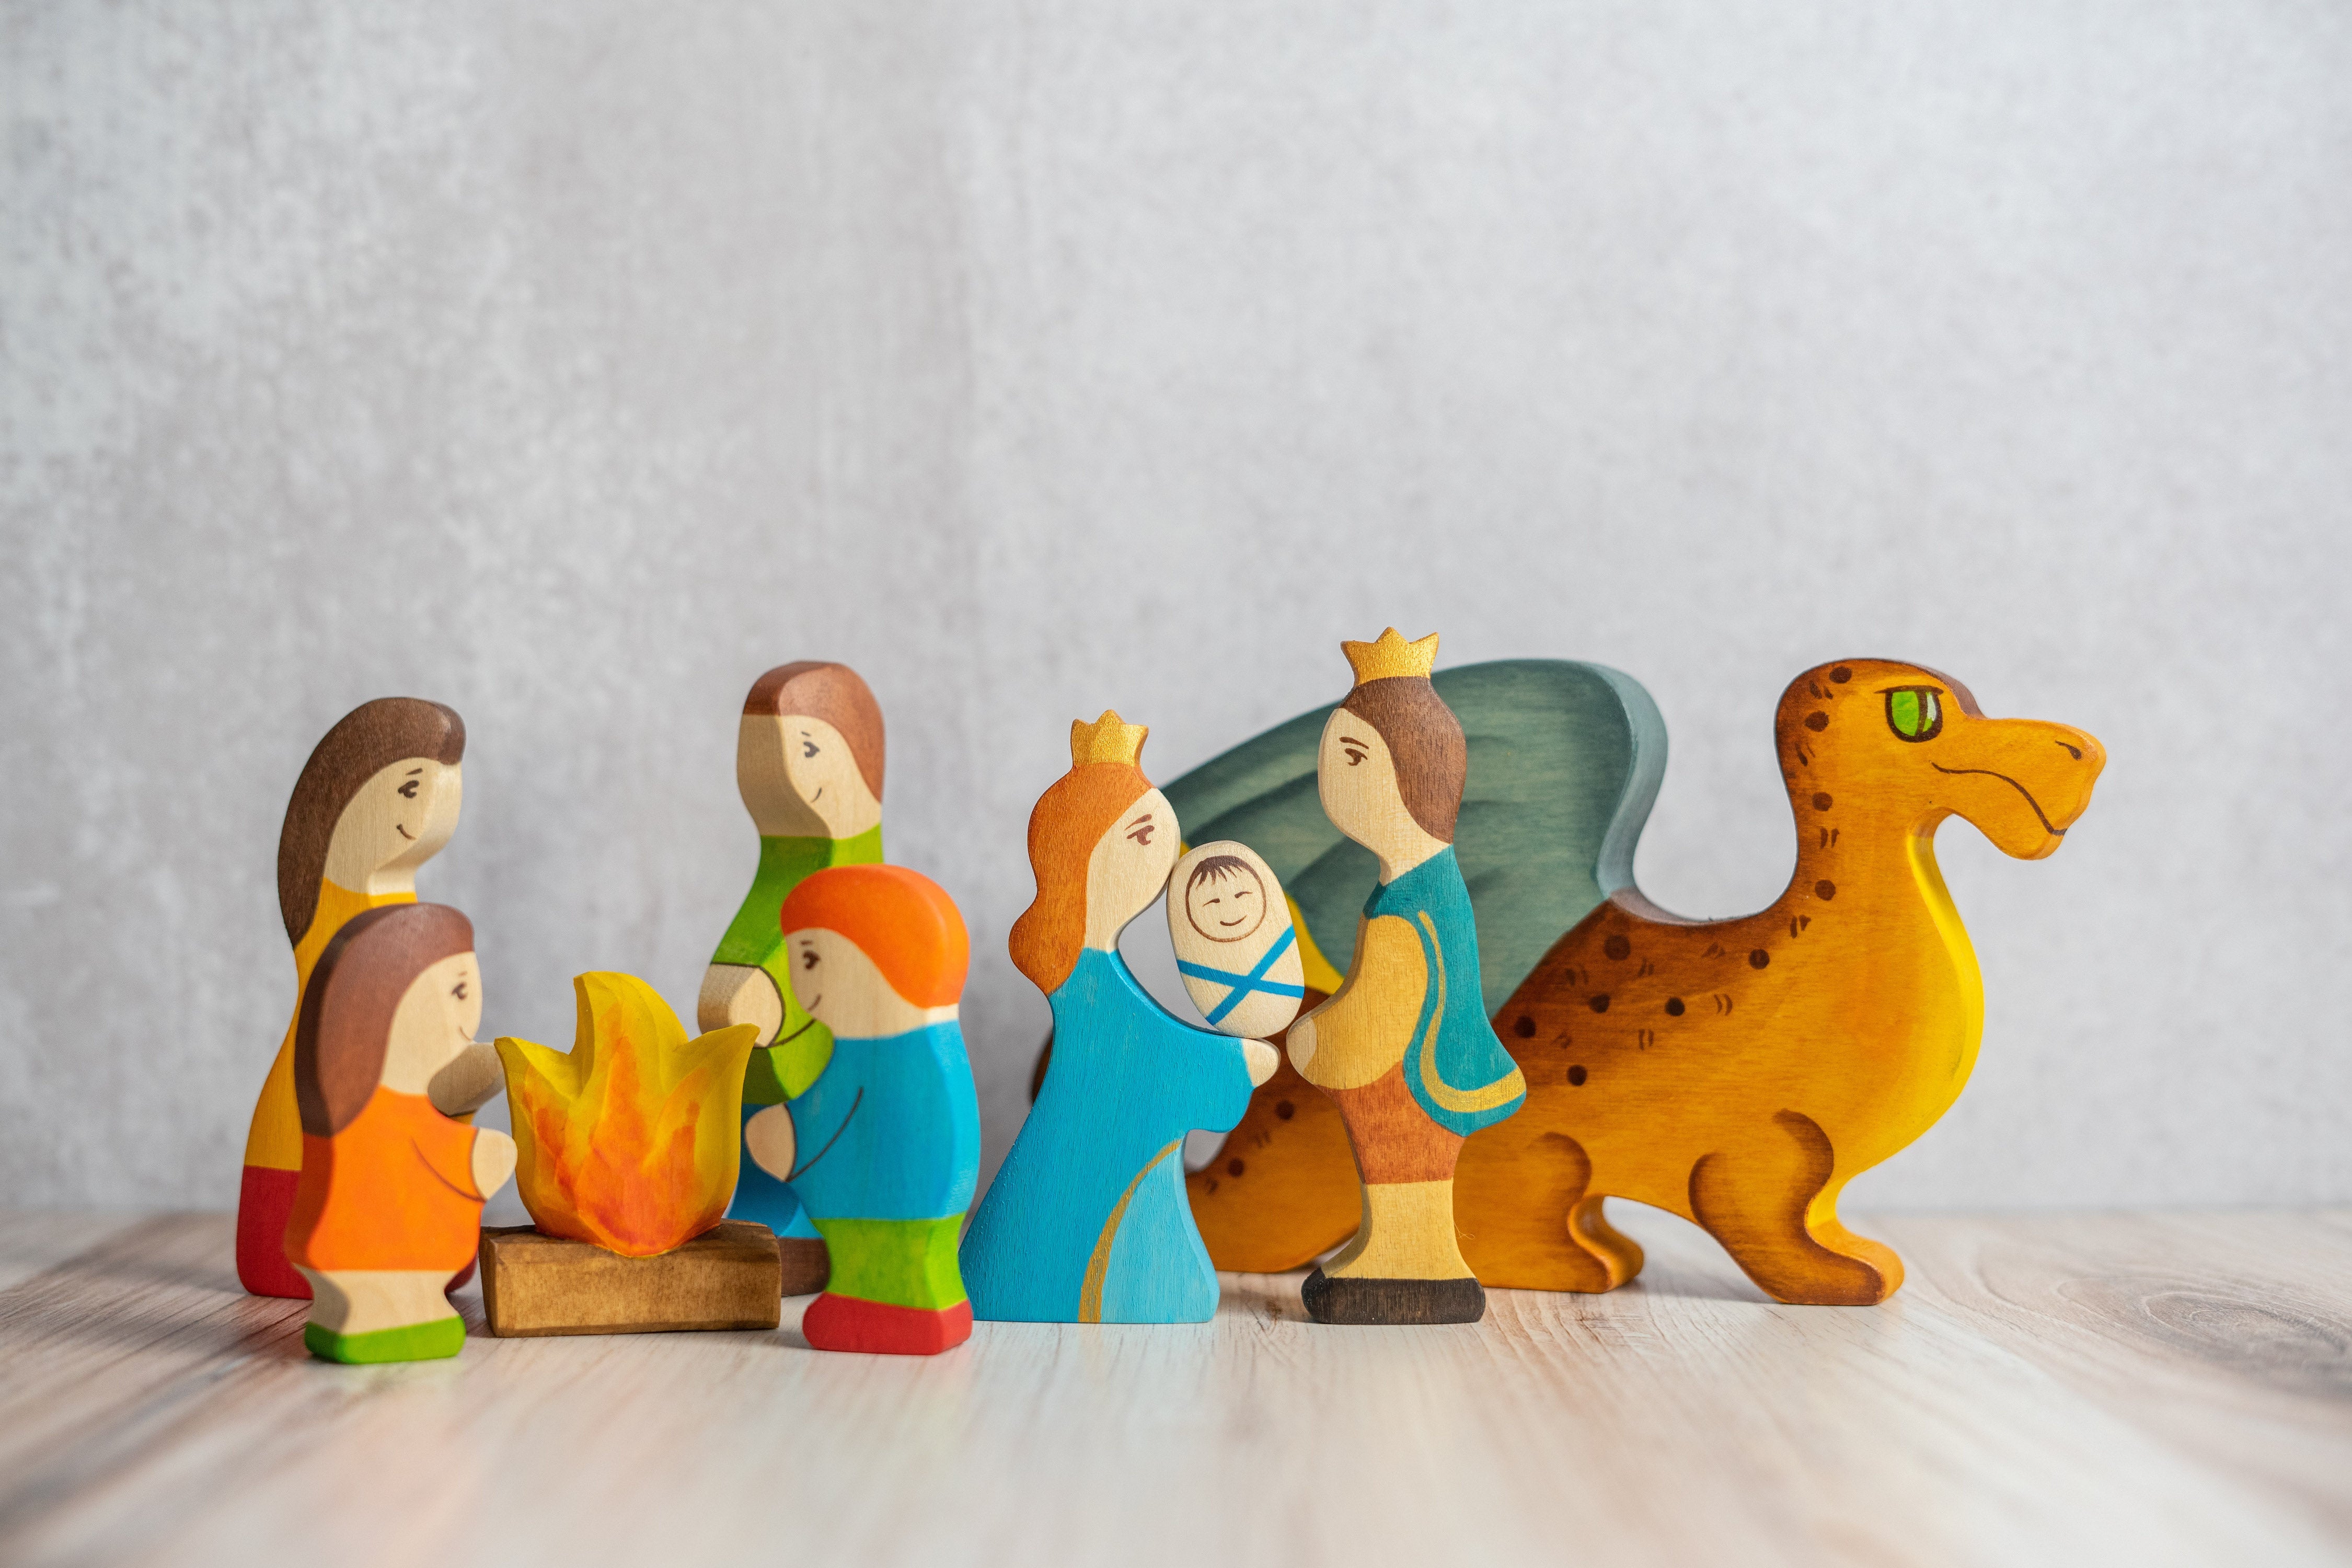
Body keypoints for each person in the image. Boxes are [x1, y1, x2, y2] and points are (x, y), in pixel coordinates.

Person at [959, 713, 1277, 1323]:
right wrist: (1232, 1060)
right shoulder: (1085, 980)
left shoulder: (1091, 975)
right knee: (1106, 1219)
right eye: (1143, 837)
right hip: (1097, 1139)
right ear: (1089, 855)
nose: (1161, 857)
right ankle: (1048, 1284)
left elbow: (1141, 1034)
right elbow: (1139, 1047)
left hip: (1101, 1140)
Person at [1285, 629, 1527, 1324]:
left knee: (1402, 1165)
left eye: (1348, 757)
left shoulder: (1412, 904)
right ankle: (1397, 1252)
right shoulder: (1419, 888)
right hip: (1418, 1070)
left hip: (1417, 1077)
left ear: (1408, 771)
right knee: (1395, 1166)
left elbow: (1380, 1016)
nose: (1331, 780)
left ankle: (1417, 1265)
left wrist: (1316, 1038)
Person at [237, 697, 467, 1299]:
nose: (428, 815)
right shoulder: (341, 922)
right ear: (350, 797)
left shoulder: (400, 907)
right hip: (313, 1137)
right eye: (411, 789)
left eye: (441, 792)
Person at [699, 661, 887, 1285]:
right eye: (764, 755)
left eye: (806, 751)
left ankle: (818, 1218)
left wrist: (762, 998)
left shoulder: (853, 883)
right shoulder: (792, 872)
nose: (781, 775)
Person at [752, 864, 980, 1354]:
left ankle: (875, 1306)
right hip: (926, 1208)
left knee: (869, 1261)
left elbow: (829, 1125)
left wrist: (780, 1135)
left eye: (810, 957)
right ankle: (915, 1304)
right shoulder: (934, 1055)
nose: (800, 981)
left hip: (878, 1207)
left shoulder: (876, 1058)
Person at [284, 903, 515, 1362]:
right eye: (458, 992)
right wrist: (484, 1156)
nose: (469, 1019)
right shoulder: (376, 1117)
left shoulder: (356, 1115)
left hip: (350, 1253)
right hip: (379, 1251)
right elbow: (422, 1163)